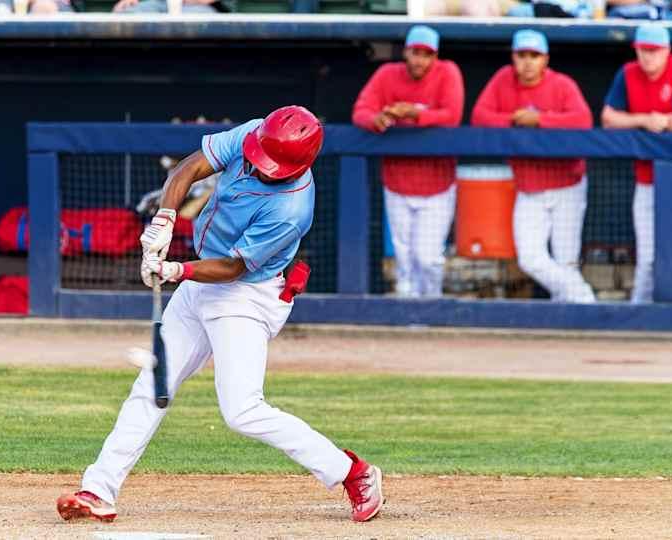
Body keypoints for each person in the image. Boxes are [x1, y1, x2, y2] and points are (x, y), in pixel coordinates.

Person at [55, 106, 385, 524]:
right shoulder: (258, 135)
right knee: (154, 384)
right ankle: (98, 490)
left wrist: (177, 269)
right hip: (201, 280)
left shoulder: (291, 210)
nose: (259, 166)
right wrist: (164, 220)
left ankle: (353, 473)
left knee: (242, 410)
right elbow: (189, 169)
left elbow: (233, 267)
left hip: (244, 296)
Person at [471, 30, 596, 303]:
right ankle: (583, 297)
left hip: (567, 184)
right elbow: (480, 115)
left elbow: (583, 120)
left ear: (546, 59)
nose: (527, 62)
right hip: (528, 186)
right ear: (513, 57)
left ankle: (569, 319)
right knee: (530, 258)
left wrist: (540, 119)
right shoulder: (503, 80)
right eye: (522, 55)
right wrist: (515, 120)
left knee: (566, 260)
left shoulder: (561, 84)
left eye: (534, 56)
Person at [601, 24, 672, 304]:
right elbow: (608, 118)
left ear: (666, 51)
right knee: (648, 252)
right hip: (647, 173)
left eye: (653, 51)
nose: (647, 57)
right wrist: (645, 119)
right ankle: (641, 314)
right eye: (643, 50)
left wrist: (664, 122)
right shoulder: (627, 73)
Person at [352, 25, 464, 297]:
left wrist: (414, 114)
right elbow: (361, 111)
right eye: (415, 53)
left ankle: (431, 305)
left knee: (427, 257)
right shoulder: (387, 74)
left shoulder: (448, 71)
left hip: (437, 184)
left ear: (435, 56)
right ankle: (409, 318)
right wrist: (376, 120)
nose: (420, 60)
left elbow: (452, 115)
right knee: (404, 258)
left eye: (427, 54)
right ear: (406, 52)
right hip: (397, 181)